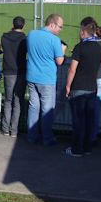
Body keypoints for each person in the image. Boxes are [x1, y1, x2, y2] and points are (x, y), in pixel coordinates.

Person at [63, 22, 101, 157]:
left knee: (78, 120)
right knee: (88, 120)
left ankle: (76, 149)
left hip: (79, 86)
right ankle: (87, 147)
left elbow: (72, 69)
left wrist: (68, 86)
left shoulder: (80, 47)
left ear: (83, 33)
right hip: (92, 87)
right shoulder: (99, 48)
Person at [26, 13, 66, 146]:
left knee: (33, 107)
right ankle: (47, 137)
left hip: (32, 75)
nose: (60, 29)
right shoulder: (54, 40)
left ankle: (32, 136)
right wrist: (63, 50)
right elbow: (60, 61)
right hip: (46, 78)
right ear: (52, 24)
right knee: (47, 109)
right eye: (60, 26)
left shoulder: (31, 34)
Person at [0, 16, 27, 137]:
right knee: (18, 101)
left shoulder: (4, 37)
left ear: (13, 24)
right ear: (23, 26)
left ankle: (5, 128)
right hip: (20, 71)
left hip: (8, 71)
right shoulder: (25, 39)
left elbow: (0, 49)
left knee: (8, 100)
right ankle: (14, 130)